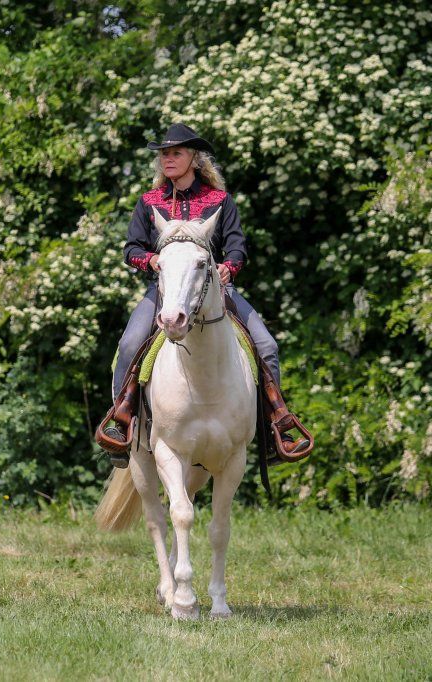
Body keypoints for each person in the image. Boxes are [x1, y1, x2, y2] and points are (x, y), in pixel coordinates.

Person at [99, 122, 306, 468]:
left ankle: (275, 431)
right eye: (164, 154)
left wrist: (229, 267)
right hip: (164, 291)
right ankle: (121, 423)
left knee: (267, 346)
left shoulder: (220, 201)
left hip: (217, 289)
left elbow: (237, 246)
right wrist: (150, 260)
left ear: (194, 158)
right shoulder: (149, 202)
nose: (168, 159)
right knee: (130, 343)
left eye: (175, 153)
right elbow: (131, 248)